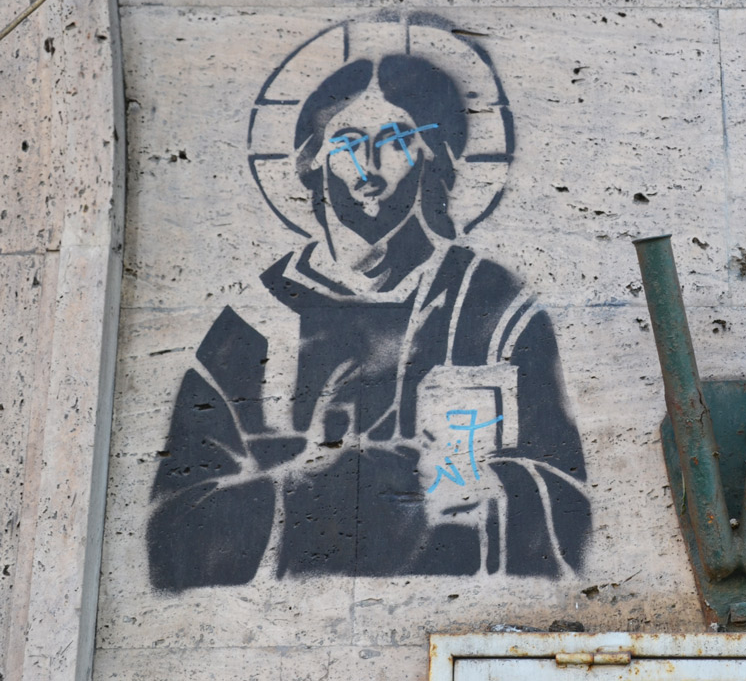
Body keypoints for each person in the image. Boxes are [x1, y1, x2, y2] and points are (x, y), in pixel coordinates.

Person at [146, 51, 591, 590]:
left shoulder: (496, 310)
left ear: (431, 156)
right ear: (313, 160)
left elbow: (568, 503)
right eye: (348, 143)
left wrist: (468, 487)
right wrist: (310, 488)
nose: (369, 169)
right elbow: (175, 530)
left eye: (396, 142)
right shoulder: (258, 323)